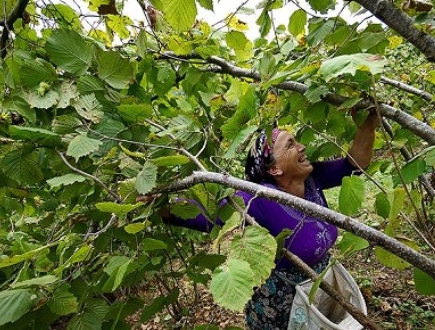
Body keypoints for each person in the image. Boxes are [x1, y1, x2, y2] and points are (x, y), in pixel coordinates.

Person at [153, 110, 379, 329]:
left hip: (319, 289)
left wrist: (367, 125)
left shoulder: (313, 179)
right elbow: (206, 213)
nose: (302, 147)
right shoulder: (259, 198)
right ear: (274, 170)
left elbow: (354, 165)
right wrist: (157, 202)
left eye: (297, 141)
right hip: (282, 306)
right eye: (290, 145)